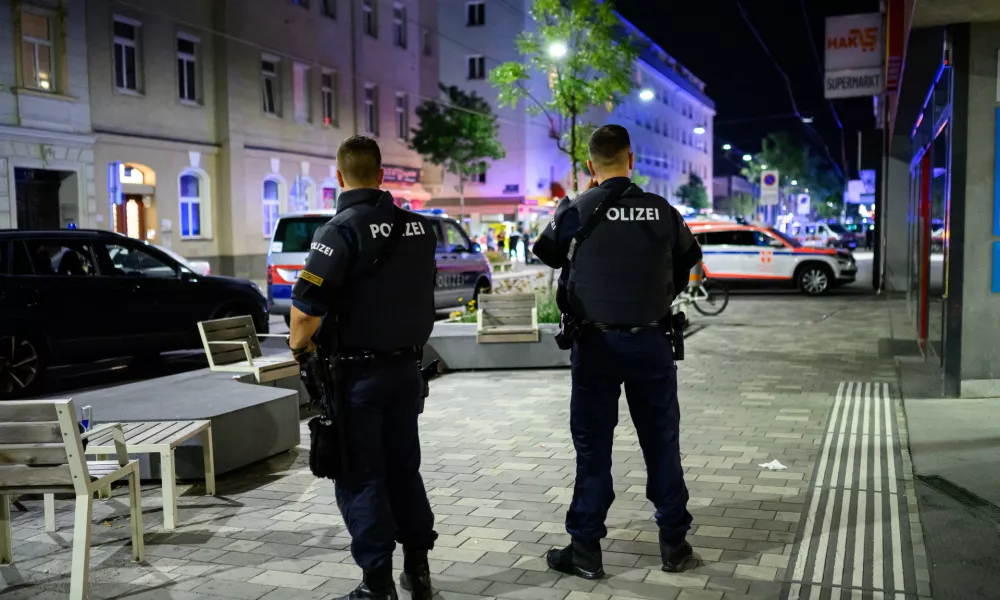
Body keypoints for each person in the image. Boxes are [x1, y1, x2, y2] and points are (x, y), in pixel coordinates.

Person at [531, 124, 703, 579]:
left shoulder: (576, 209)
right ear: (631, 159)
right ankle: (674, 544)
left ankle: (586, 550)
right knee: (662, 442)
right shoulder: (661, 210)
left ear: (590, 165)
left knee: (593, 449)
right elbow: (689, 259)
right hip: (651, 341)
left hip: (595, 345)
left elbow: (546, 252)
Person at [289, 135, 438, 600]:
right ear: (380, 174)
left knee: (363, 476)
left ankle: (377, 585)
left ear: (339, 176)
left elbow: (305, 312)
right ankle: (418, 571)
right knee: (403, 470)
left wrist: (300, 349)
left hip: (358, 379)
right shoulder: (421, 229)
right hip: (406, 373)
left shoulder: (338, 231)